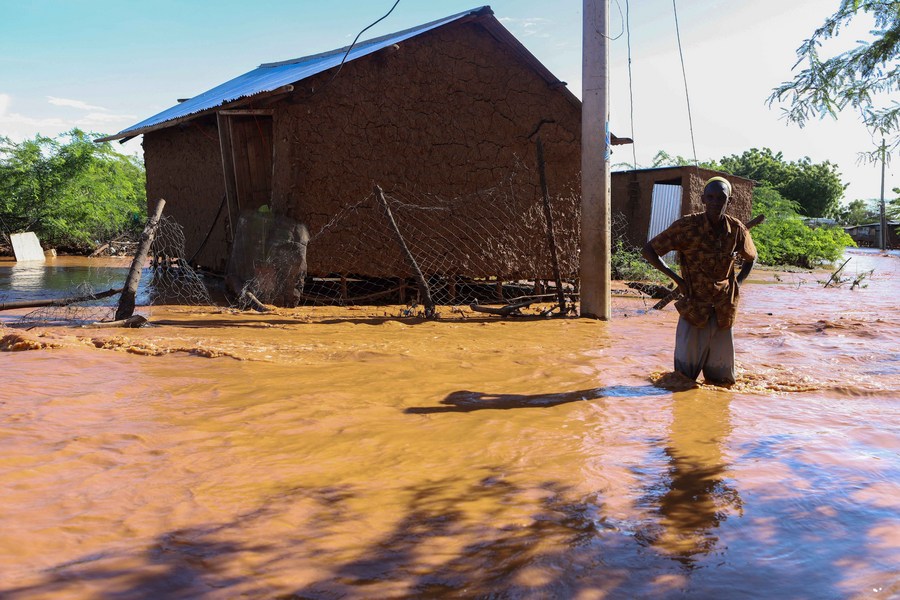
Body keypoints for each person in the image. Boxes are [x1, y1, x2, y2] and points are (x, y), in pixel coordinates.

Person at [641, 177, 757, 385]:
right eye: (710, 197)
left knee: (723, 383)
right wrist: (677, 279)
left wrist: (739, 281)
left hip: (723, 310)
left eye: (721, 198)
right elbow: (649, 250)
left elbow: (751, 257)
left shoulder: (737, 229)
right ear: (703, 199)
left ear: (729, 201)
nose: (715, 202)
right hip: (694, 308)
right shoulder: (687, 226)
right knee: (682, 381)